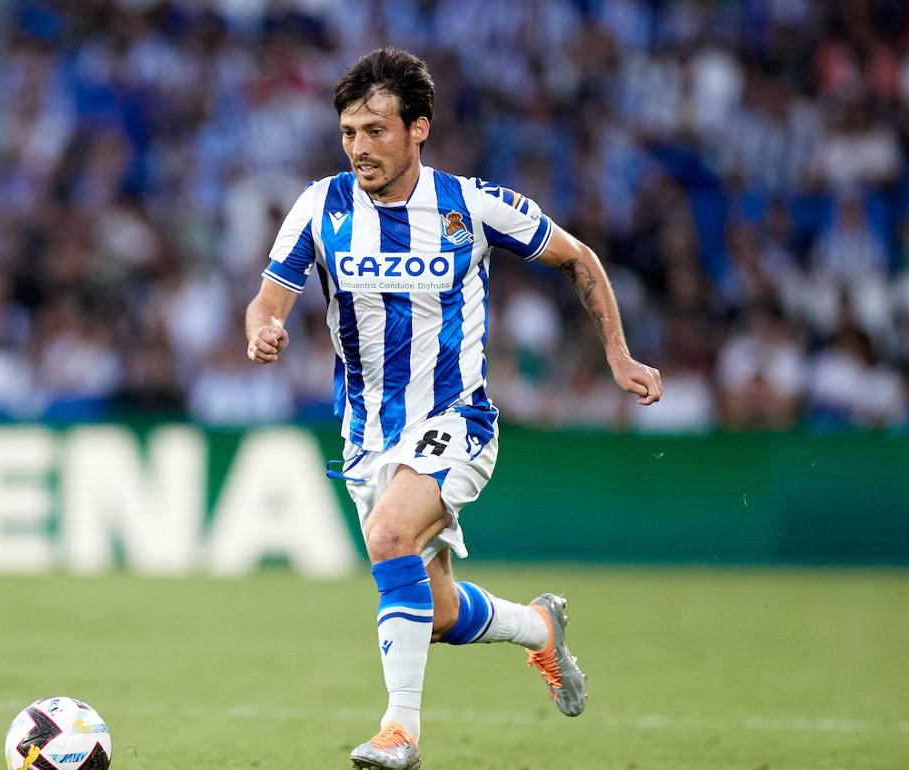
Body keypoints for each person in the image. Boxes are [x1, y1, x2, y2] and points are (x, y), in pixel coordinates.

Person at [244, 48, 662, 770]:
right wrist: (263, 328)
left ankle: (399, 730)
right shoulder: (320, 206)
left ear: (419, 129)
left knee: (388, 534)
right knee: (432, 613)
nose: (359, 147)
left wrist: (618, 356)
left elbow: (579, 258)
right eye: (348, 132)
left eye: (376, 130)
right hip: (368, 439)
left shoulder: (471, 205)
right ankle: (538, 629)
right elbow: (268, 298)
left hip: (457, 421)